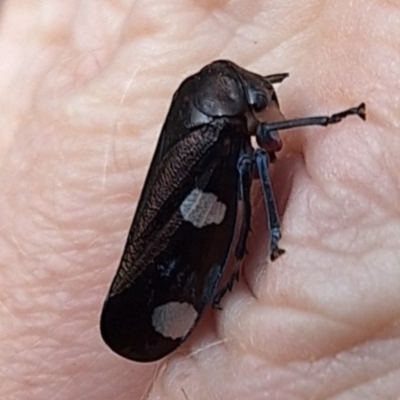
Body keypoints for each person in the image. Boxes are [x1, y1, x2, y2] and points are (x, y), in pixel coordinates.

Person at [1, 1, 394, 399]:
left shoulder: (218, 108)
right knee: (252, 163)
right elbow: (262, 155)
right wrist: (326, 122)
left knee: (253, 163)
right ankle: (259, 242)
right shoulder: (223, 134)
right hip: (164, 273)